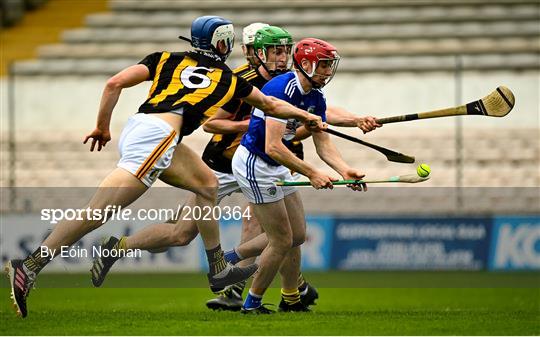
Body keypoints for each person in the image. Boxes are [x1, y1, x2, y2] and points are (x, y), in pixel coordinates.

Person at [5, 16, 324, 319]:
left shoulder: (164, 58)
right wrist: (307, 116)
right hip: (160, 136)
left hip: (144, 126)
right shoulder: (228, 79)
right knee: (98, 212)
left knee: (206, 184)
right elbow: (270, 105)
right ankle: (30, 265)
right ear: (223, 45)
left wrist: (103, 127)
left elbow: (114, 83)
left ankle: (218, 267)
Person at [231, 37, 376, 314]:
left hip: (276, 163)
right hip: (255, 163)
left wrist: (344, 170)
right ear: (306, 63)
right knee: (281, 240)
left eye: (329, 66)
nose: (326, 71)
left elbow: (322, 141)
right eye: (322, 65)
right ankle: (252, 304)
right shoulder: (280, 88)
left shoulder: (315, 97)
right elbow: (272, 146)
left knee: (297, 235)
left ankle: (285, 295)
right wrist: (312, 173)